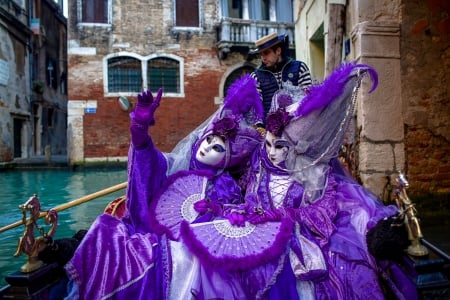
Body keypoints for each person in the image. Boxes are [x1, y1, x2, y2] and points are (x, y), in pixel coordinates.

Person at [180, 62, 415, 299]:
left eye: (281, 147)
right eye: (269, 144)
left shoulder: (315, 173)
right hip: (258, 235)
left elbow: (322, 212)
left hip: (299, 239)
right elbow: (248, 202)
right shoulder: (260, 166)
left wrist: (282, 216)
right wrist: (221, 208)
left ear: (297, 148)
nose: (272, 153)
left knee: (341, 269)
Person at [63, 74, 264, 299]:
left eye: (217, 148)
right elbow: (148, 166)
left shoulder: (225, 185)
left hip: (184, 246)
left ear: (229, 158)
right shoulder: (175, 165)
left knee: (157, 254)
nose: (207, 148)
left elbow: (225, 225)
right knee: (104, 228)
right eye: (208, 140)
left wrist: (213, 211)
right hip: (151, 230)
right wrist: (140, 132)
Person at [250, 32, 312, 117]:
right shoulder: (255, 77)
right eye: (261, 54)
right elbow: (256, 109)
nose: (263, 58)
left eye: (266, 53)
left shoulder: (300, 68)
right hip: (270, 128)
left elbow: (309, 98)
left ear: (278, 51)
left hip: (299, 123)